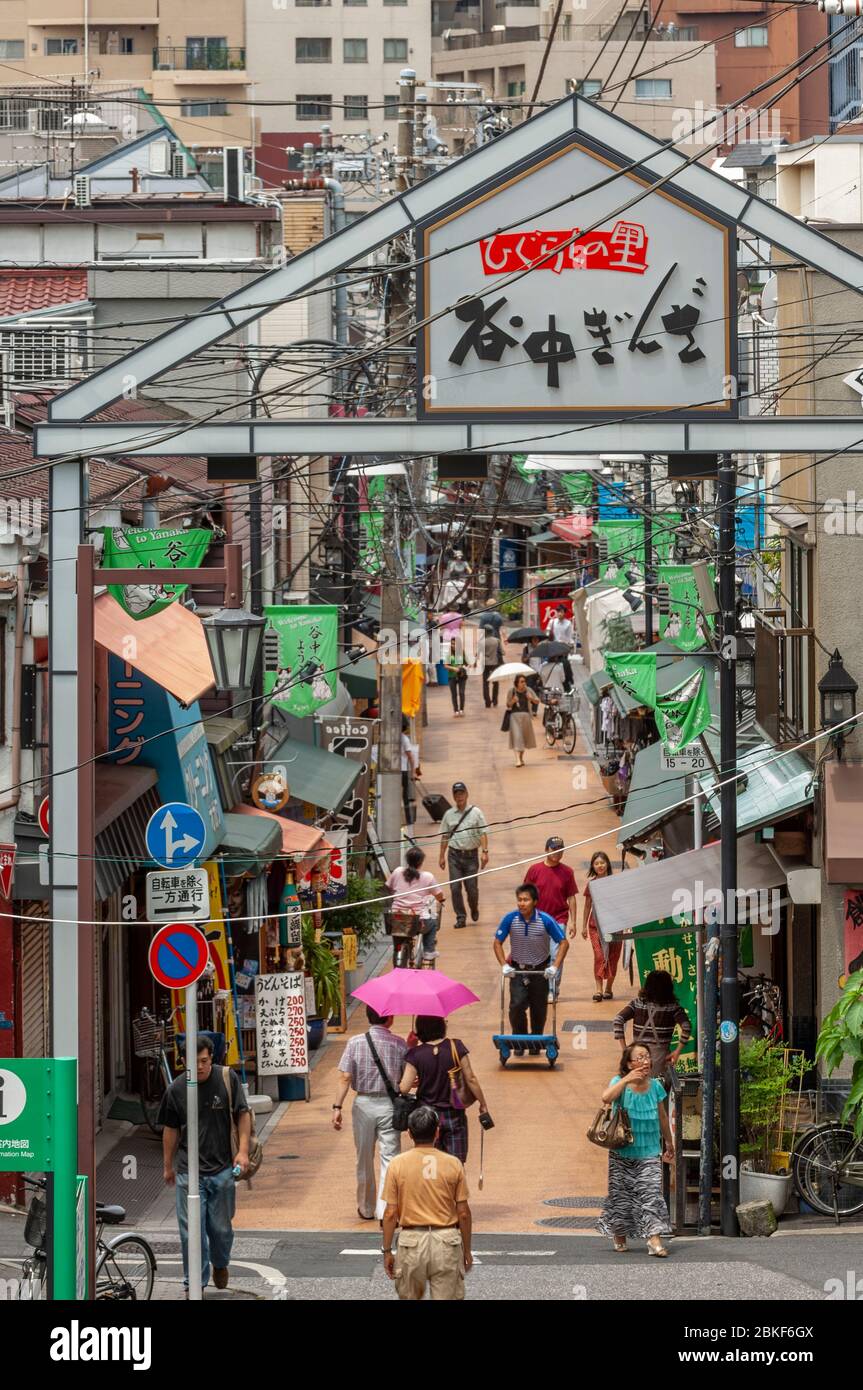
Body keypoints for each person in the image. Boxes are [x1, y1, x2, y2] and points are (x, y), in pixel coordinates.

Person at [159, 1036, 251, 1294]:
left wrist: (243, 1152)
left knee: (221, 1229)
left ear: (212, 1059)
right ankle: (194, 1284)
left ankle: (220, 1264)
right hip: (189, 1172)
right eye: (193, 1062)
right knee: (191, 1233)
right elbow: (171, 1129)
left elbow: (242, 1114)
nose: (199, 1067)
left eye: (204, 1061)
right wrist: (168, 1165)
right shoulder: (176, 1089)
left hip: (222, 1169)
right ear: (182, 1063)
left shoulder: (226, 1079)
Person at [382, 1104, 473, 1301]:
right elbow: (463, 1212)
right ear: (437, 1132)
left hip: (411, 1241)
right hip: (446, 1240)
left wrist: (387, 1250)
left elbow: (390, 1213)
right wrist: (467, 1250)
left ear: (409, 1134)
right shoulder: (453, 1163)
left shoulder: (397, 1164)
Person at [597, 1043, 674, 1256]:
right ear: (629, 1063)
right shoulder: (619, 1083)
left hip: (649, 1151)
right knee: (621, 1194)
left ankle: (654, 1239)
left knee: (651, 1193)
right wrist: (626, 1079)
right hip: (622, 1150)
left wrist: (669, 1142)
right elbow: (606, 1098)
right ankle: (619, 1232)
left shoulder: (656, 1086)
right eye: (639, 1058)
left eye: (647, 1057)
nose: (645, 1061)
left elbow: (662, 1117)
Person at [332, 1005, 407, 1221]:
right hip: (389, 1105)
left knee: (363, 1157)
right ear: (390, 1018)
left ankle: (366, 1207)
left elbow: (345, 1077)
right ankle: (386, 1210)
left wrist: (337, 1107)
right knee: (390, 1159)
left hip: (363, 1103)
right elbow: (405, 1082)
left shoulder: (355, 1042)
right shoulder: (399, 1044)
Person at [399, 1015, 489, 1161]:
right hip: (454, 1114)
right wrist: (483, 1104)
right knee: (456, 1164)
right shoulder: (456, 1046)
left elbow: (404, 1088)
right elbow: (471, 1078)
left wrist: (411, 1048)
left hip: (427, 1118)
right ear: (441, 1026)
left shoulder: (415, 1054)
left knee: (430, 1165)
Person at [493, 883, 569, 1054]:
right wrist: (504, 965)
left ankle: (535, 1042)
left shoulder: (546, 920)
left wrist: (555, 966)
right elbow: (497, 943)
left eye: (526, 900)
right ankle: (519, 1041)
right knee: (517, 1005)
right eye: (519, 900)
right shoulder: (510, 919)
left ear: (535, 901)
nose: (522, 903)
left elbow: (563, 943)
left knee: (539, 1007)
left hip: (540, 970)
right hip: (518, 970)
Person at [613, 969, 692, 1078]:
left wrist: (625, 1049)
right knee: (656, 1090)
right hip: (659, 1059)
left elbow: (618, 1020)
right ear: (668, 988)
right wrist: (677, 1051)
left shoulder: (637, 1003)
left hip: (636, 1056)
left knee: (636, 1087)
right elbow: (686, 1027)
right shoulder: (673, 1008)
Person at [526, 836, 578, 995]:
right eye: (554, 849)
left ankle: (552, 989)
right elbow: (526, 894)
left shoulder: (567, 872)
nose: (557, 852)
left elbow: (571, 897)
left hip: (558, 919)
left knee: (556, 954)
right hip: (538, 919)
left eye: (560, 849)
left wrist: (573, 922)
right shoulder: (534, 870)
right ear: (546, 849)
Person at [439, 782, 488, 929]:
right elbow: (445, 836)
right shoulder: (448, 815)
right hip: (454, 856)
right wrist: (441, 856)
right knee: (455, 888)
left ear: (467, 794)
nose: (459, 796)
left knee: (471, 888)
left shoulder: (476, 812)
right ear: (453, 796)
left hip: (471, 856)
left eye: (461, 793)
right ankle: (461, 917)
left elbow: (483, 833)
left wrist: (485, 852)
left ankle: (473, 907)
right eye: (456, 794)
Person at [386, 846, 446, 967]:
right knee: (433, 922)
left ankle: (397, 966)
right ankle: (429, 951)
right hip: (418, 920)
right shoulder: (428, 877)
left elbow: (389, 887)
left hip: (397, 917)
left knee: (397, 944)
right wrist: (441, 900)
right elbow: (439, 895)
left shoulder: (397, 872)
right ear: (421, 862)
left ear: (407, 860)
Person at [579, 849, 622, 1001]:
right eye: (596, 863)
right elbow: (587, 906)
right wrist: (583, 926)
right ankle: (598, 990)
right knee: (599, 956)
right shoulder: (591, 885)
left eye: (602, 862)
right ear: (593, 866)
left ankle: (608, 988)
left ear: (607, 864)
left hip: (616, 926)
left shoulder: (616, 883)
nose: (600, 865)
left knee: (613, 957)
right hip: (595, 926)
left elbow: (623, 904)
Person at [506, 673, 540, 767]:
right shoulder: (511, 691)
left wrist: (531, 698)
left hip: (526, 717)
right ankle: (517, 760)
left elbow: (537, 701)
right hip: (514, 717)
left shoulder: (529, 690)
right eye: (521, 682)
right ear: (516, 683)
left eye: (524, 681)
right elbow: (508, 705)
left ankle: (521, 758)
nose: (524, 683)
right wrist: (513, 701)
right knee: (517, 737)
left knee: (523, 738)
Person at [545, 603, 575, 690]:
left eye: (561, 612)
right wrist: (547, 636)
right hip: (553, 648)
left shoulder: (568, 624)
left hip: (563, 649)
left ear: (564, 613)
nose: (559, 614)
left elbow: (570, 637)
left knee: (564, 665)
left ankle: (566, 683)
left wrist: (570, 646)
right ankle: (552, 683)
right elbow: (547, 632)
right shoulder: (552, 622)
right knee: (552, 665)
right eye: (558, 612)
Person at [401, 716, 420, 825]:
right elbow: (411, 758)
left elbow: (410, 757)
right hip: (402, 771)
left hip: (400, 771)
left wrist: (413, 772)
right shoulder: (404, 738)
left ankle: (408, 819)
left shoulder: (401, 739)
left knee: (405, 796)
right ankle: (408, 819)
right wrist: (413, 772)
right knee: (405, 796)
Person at [481, 626, 504, 708]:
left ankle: (487, 701)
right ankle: (495, 700)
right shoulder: (497, 641)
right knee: (496, 683)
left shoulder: (482, 642)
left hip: (485, 664)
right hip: (495, 664)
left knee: (485, 684)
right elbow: (503, 652)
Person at [445, 647, 469, 717]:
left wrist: (462, 666)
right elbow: (445, 666)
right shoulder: (449, 654)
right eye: (452, 643)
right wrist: (453, 668)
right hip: (452, 676)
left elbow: (467, 663)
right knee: (454, 694)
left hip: (461, 676)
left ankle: (461, 709)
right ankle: (456, 710)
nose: (454, 645)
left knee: (461, 692)